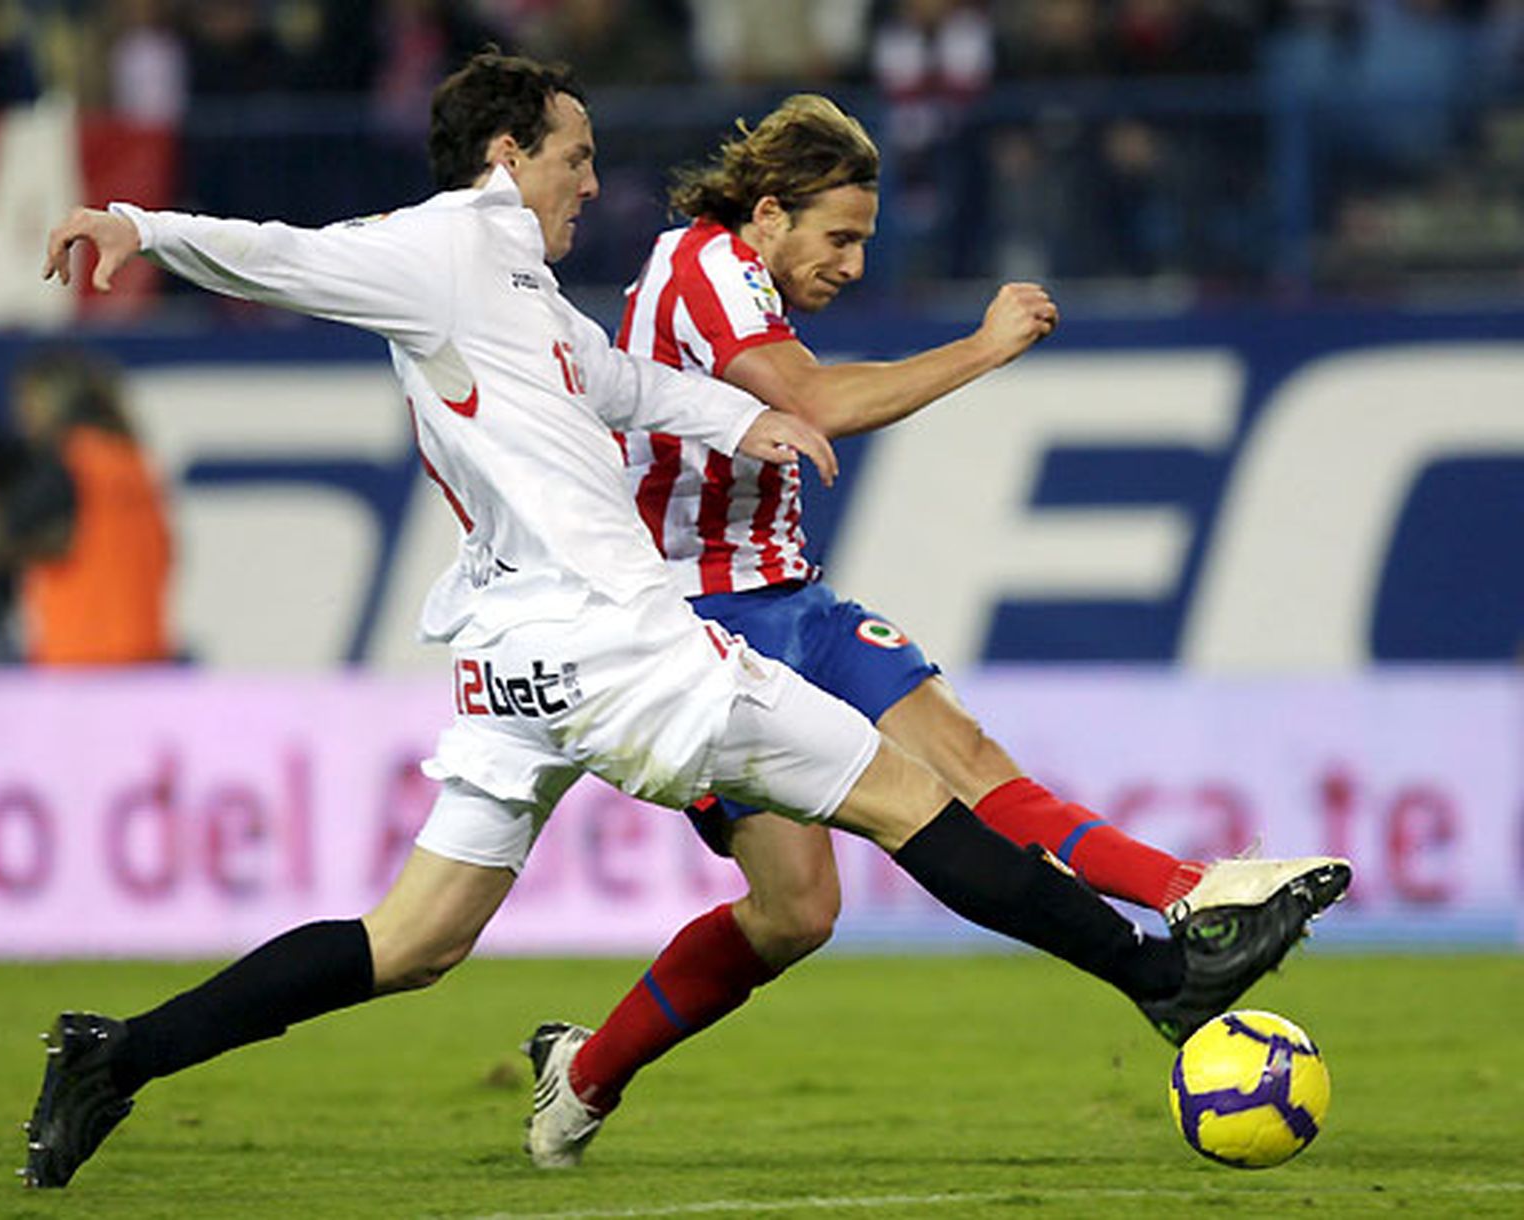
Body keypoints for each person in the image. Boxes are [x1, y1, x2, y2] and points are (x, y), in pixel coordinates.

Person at [20, 52, 1344, 1190]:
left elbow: (625, 382)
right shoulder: (439, 248)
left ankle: (119, 1055)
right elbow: (291, 259)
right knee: (905, 795)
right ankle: (1157, 976)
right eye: (576, 156)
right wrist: (143, 225)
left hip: (512, 659)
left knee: (410, 942)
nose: (592, 184)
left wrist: (745, 417)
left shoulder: (520, 296)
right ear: (505, 154)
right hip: (619, 642)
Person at [523, 93, 1352, 1167]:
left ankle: (1194, 892)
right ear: (767, 214)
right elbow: (809, 401)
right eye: (841, 237)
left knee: (962, 755)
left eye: (865, 240)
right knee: (795, 910)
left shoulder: (737, 281)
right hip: (690, 631)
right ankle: (583, 1077)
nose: (854, 265)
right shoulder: (701, 259)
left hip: (789, 600)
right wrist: (981, 348)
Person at [0, 348, 174, 666]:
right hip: (146, 658)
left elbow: (1, 542)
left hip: (84, 665)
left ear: (48, 398)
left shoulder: (68, 462)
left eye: (25, 400)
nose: (21, 416)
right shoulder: (129, 459)